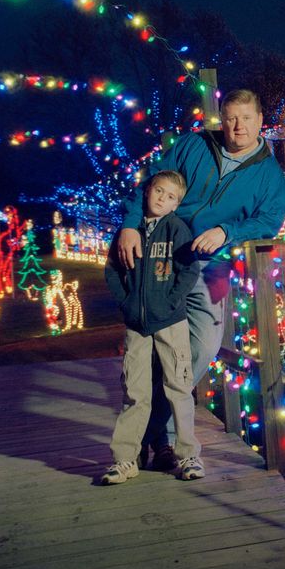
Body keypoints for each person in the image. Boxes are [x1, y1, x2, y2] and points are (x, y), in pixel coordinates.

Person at [115, 88, 285, 470]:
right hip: (163, 261)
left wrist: (228, 232)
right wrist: (130, 225)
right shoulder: (193, 146)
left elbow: (269, 219)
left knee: (204, 347)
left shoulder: (269, 173)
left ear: (260, 121)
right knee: (155, 348)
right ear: (220, 119)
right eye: (230, 117)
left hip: (212, 269)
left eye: (245, 117)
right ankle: (165, 441)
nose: (237, 126)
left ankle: (148, 426)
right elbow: (150, 182)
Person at [100, 170, 202, 484]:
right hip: (137, 326)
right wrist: (127, 304)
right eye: (159, 191)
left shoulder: (177, 230)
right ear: (147, 192)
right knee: (135, 392)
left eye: (171, 196)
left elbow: (188, 271)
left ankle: (188, 456)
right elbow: (113, 271)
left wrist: (170, 302)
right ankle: (125, 459)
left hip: (171, 322)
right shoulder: (127, 232)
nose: (162, 198)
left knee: (179, 389)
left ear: (176, 205)